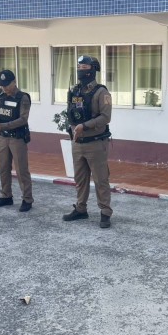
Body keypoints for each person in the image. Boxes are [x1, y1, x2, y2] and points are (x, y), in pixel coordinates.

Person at [62, 55, 113, 228]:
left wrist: (84, 126)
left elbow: (105, 117)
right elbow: (70, 113)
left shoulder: (101, 92)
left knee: (101, 179)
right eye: (79, 67)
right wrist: (73, 128)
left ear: (93, 70)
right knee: (80, 179)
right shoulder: (75, 91)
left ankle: (105, 212)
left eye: (84, 68)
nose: (80, 71)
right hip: (77, 143)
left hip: (95, 143)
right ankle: (80, 208)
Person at [0, 69, 34, 212]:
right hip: (3, 137)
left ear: (14, 82)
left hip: (17, 138)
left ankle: (27, 199)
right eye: (1, 85)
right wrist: (0, 128)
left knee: (21, 170)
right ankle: (6, 196)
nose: (4, 88)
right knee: (3, 168)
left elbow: (23, 119)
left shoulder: (22, 98)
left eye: (6, 85)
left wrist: (3, 126)